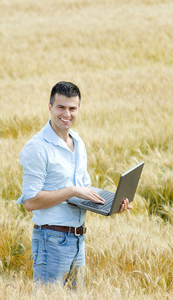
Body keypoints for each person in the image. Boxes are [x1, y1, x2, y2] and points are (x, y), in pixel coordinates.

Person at [16, 81, 132, 289]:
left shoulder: (78, 142)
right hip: (50, 240)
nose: (66, 114)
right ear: (50, 107)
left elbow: (82, 190)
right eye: (61, 107)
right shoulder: (37, 148)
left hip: (78, 239)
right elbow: (30, 202)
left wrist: (111, 204)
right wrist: (71, 190)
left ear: (78, 109)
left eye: (72, 108)